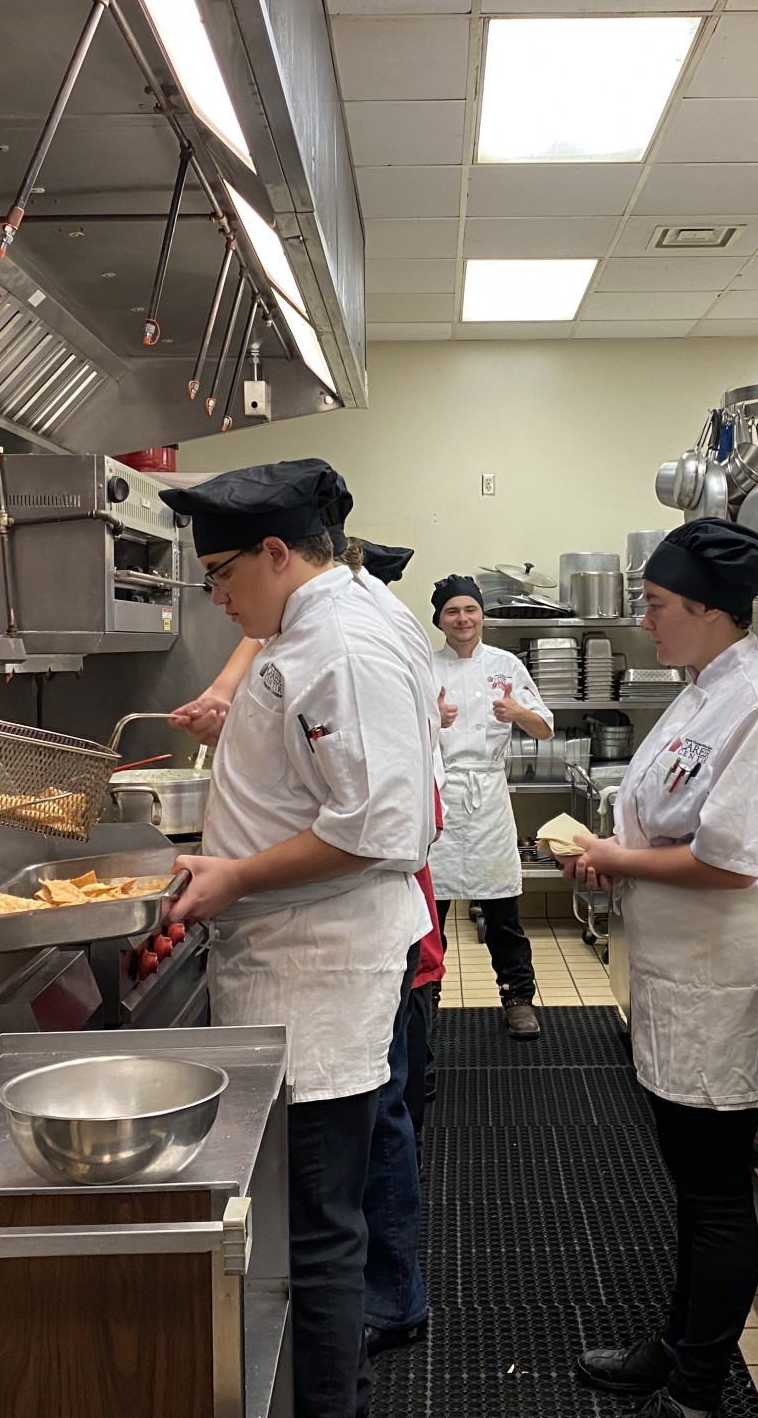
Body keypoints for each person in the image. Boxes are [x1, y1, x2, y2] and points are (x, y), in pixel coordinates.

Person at [159, 461, 433, 1418]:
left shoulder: (339, 649)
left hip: (316, 978)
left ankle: (331, 1404)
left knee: (320, 1236)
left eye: (222, 573)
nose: (217, 595)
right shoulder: (316, 622)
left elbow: (377, 826)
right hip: (301, 964)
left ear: (279, 553)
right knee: (317, 1224)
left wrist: (231, 875)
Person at [563, 519, 758, 1418]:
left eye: (659, 606)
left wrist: (616, 857)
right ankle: (676, 1344)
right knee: (689, 1184)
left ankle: (697, 1387)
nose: (648, 622)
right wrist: (615, 851)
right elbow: (668, 814)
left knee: (716, 1196)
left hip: (720, 981)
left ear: (712, 610)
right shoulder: (703, 689)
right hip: (677, 975)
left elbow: (731, 859)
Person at [427, 575, 554, 1040]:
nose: (462, 619)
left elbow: (543, 730)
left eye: (470, 610)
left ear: (482, 615)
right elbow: (398, 732)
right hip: (439, 793)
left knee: (503, 909)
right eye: (452, 612)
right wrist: (431, 720)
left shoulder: (506, 665)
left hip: (488, 795)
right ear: (439, 619)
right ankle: (429, 998)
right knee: (432, 910)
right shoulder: (424, 665)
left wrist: (516, 713)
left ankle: (518, 997)